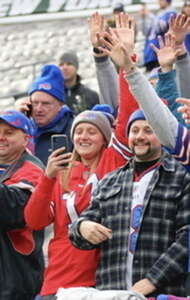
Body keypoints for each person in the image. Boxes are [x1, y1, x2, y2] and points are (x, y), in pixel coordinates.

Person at [70, 108, 190, 297]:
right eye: (135, 131)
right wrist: (82, 226)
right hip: (113, 291)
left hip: (163, 291)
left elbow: (187, 238)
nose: (140, 136)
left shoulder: (182, 176)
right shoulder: (110, 180)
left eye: (148, 130)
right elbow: (78, 234)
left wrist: (152, 280)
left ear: (162, 134)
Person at [0, 109, 44, 299]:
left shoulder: (33, 170)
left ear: (26, 139)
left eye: (9, 133)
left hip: (15, 281)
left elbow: (14, 211)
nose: (1, 138)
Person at [15, 64, 74, 166]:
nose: (39, 109)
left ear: (60, 105)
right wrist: (17, 122)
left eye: (46, 104)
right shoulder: (24, 128)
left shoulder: (74, 130)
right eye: (35, 102)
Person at [143, 0, 176, 72]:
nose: (159, 2)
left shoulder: (171, 13)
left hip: (160, 51)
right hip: (151, 52)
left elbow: (162, 26)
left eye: (161, 0)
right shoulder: (160, 13)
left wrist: (150, 15)